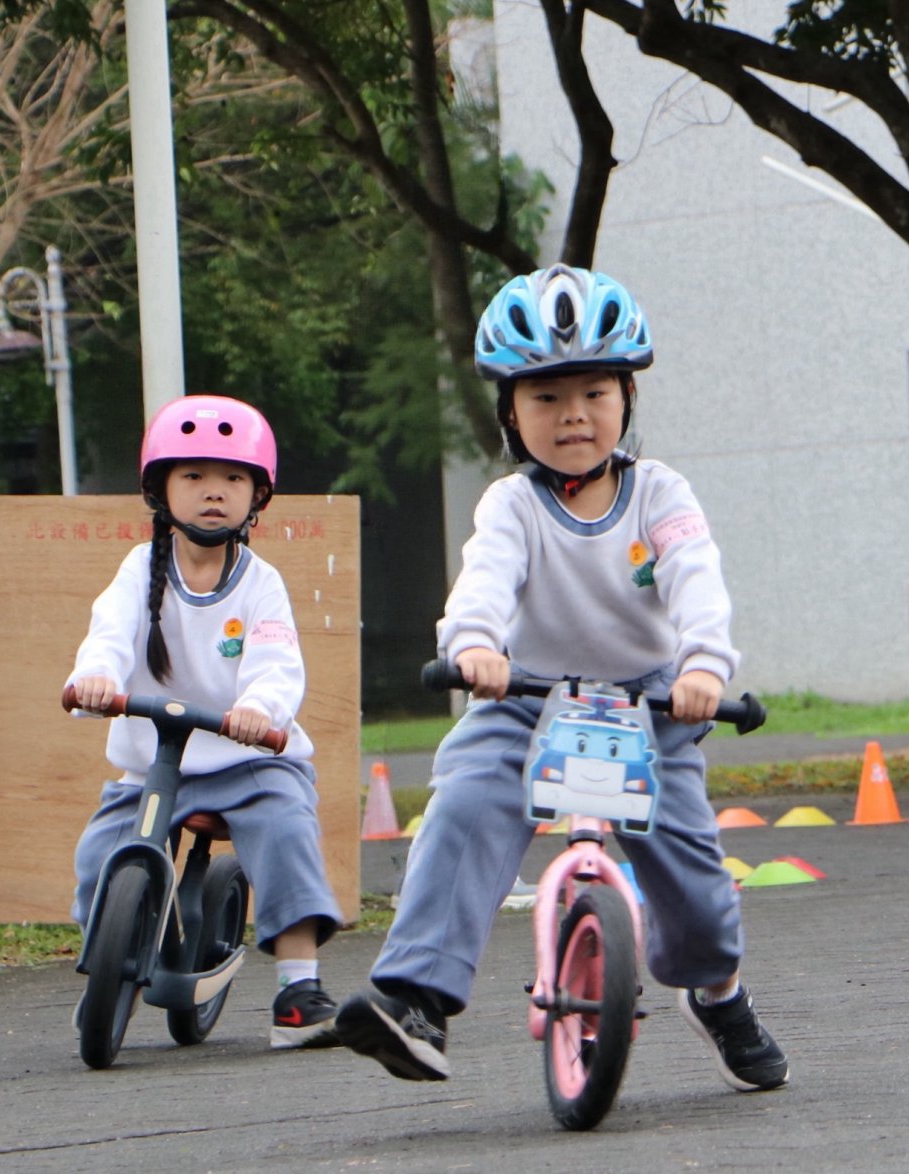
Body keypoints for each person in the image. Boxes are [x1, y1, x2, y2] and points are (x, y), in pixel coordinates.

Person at [332, 265, 789, 1092]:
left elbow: (697, 578)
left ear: (626, 399)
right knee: (465, 805)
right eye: (544, 398)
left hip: (650, 704)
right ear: (511, 413)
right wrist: (473, 646)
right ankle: (416, 1000)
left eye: (593, 393)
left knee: (697, 892)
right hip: (526, 699)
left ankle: (717, 994)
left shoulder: (660, 494)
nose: (572, 415)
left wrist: (704, 666)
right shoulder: (512, 505)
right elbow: (484, 579)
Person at [66, 395, 343, 1049]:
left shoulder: (260, 583)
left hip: (247, 760)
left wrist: (258, 711)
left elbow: (277, 663)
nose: (213, 493)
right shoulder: (139, 572)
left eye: (231, 478)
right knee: (96, 856)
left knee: (284, 827)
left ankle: (298, 987)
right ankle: (114, 966)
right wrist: (96, 678)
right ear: (161, 491)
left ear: (257, 495)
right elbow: (110, 633)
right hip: (154, 766)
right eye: (192, 476)